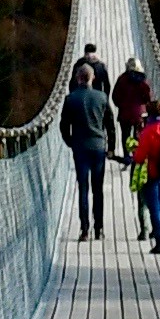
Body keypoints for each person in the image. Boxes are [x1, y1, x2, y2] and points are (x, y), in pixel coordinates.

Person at [56, 55, 120, 241]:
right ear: (93, 78)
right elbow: (110, 124)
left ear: (77, 79)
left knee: (83, 189)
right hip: (98, 147)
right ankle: (99, 229)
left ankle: (84, 230)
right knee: (97, 189)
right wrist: (111, 147)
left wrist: (71, 142)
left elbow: (63, 125)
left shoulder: (70, 99)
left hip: (80, 148)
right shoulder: (101, 97)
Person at [125, 76, 160, 256]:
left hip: (152, 173)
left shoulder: (148, 132)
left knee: (154, 208)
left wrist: (133, 151)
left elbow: (140, 156)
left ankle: (159, 242)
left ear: (148, 114)